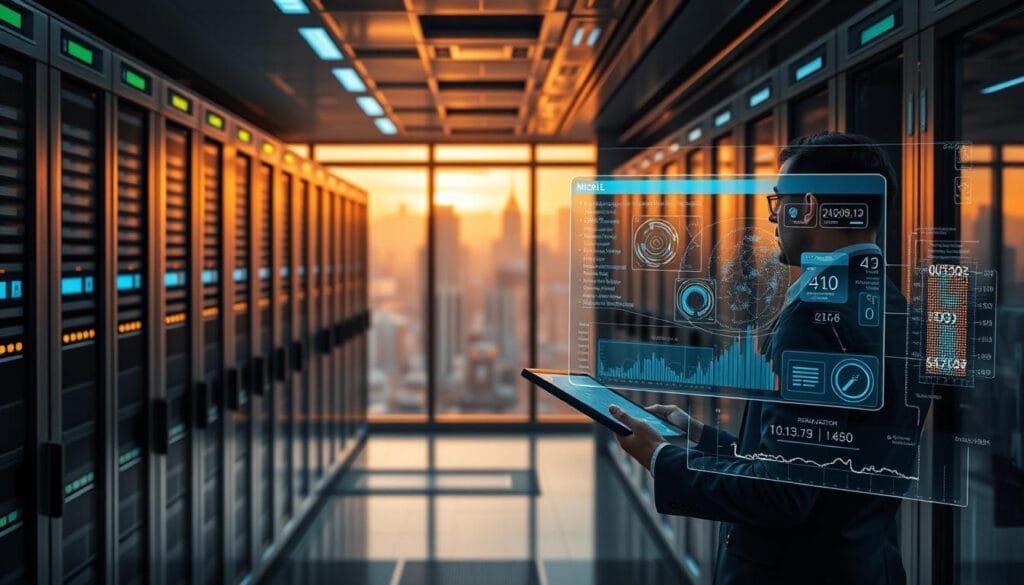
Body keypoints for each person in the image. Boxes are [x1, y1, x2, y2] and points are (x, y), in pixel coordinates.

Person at [609, 132, 927, 584]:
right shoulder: (899, 313)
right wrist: (701, 437)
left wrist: (660, 457)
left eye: (780, 202)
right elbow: (813, 463)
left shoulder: (815, 321)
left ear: (812, 207)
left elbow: (781, 495)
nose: (775, 219)